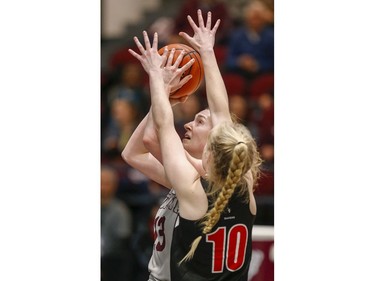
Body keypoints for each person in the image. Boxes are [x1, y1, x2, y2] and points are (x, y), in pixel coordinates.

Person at [124, 10, 262, 280]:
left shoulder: (192, 190)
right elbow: (221, 113)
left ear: (211, 150)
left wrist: (158, 80)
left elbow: (163, 128)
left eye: (200, 123)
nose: (188, 126)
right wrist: (207, 53)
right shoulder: (244, 184)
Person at [101, 165, 133, 281]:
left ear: (114, 186)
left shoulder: (120, 210)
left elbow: (123, 238)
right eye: (100, 183)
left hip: (111, 260)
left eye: (106, 183)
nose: (102, 187)